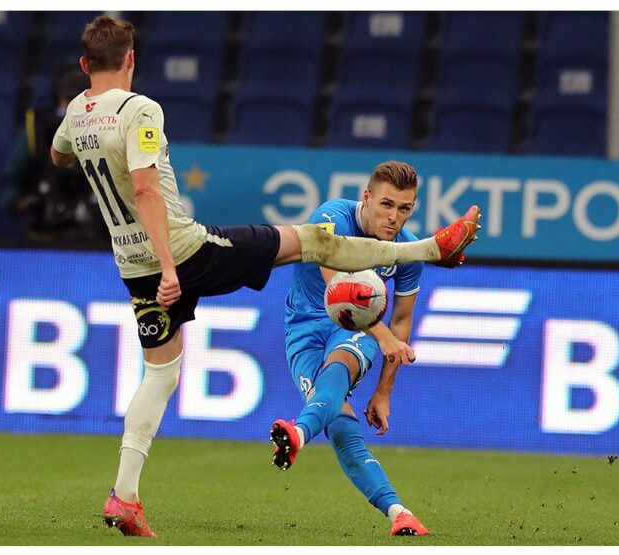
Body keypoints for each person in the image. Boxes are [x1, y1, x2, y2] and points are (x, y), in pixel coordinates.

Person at [50, 15, 481, 538]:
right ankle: (431, 248)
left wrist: (91, 148)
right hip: (182, 252)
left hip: (131, 265)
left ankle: (124, 496)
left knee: (161, 374)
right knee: (313, 240)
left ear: (84, 64)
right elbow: (144, 190)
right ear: (132, 60)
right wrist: (170, 265)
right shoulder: (141, 108)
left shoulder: (76, 113)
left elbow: (58, 153)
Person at [275, 161, 431, 538]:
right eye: (387, 204)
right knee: (340, 423)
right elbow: (339, 290)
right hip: (304, 328)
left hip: (354, 328)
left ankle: (298, 434)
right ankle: (400, 512)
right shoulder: (330, 217)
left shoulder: (408, 250)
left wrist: (384, 390)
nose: (394, 217)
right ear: (367, 198)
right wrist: (385, 336)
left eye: (405, 208)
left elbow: (401, 322)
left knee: (339, 369)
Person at [1, 62, 110, 244]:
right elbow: (10, 182)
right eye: (68, 99)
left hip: (96, 239)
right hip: (45, 237)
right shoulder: (35, 128)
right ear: (58, 98)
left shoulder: (110, 127)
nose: (73, 106)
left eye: (80, 99)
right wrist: (20, 203)